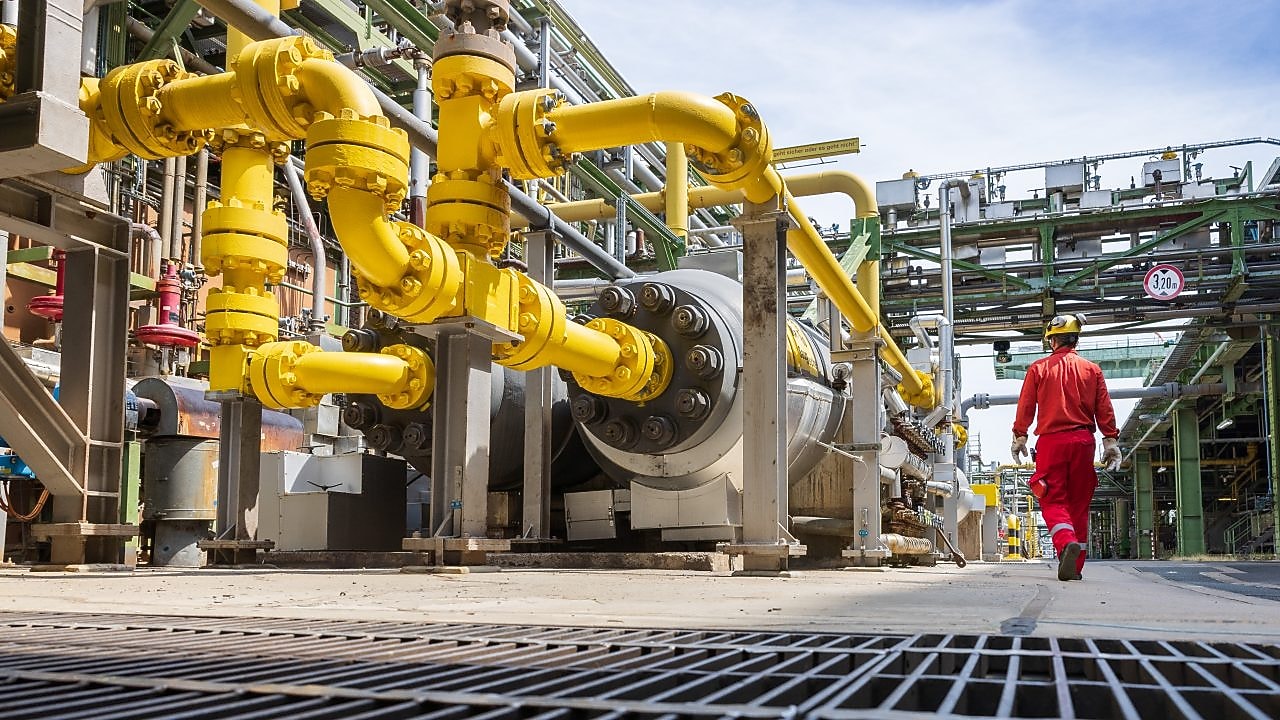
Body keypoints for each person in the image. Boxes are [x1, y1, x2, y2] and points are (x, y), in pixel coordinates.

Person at [1011, 313, 1122, 581]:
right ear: (1076, 341)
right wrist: (1110, 441)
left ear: (1052, 341)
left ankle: (1065, 543)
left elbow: (1026, 405)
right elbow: (1104, 408)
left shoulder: (1038, 369)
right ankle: (1076, 566)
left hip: (1052, 442)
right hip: (1084, 442)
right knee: (1079, 504)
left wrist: (1020, 436)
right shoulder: (1092, 370)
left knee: (1051, 498)